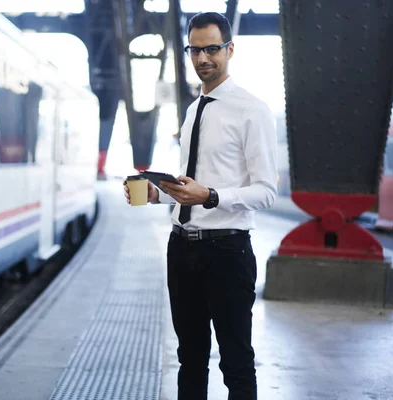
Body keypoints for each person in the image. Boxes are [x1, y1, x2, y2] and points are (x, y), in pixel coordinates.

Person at [124, 12, 277, 400]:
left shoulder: (251, 109)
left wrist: (210, 196)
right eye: (195, 49)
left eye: (212, 49)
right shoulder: (195, 110)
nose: (203, 58)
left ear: (229, 49)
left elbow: (266, 191)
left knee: (235, 360)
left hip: (227, 250)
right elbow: (191, 182)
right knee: (189, 358)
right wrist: (160, 194)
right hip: (183, 248)